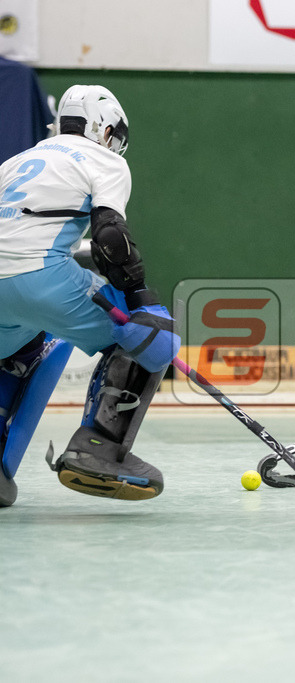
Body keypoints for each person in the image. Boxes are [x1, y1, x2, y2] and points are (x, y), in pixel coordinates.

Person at [0, 84, 179, 506]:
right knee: (154, 338)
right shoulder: (105, 160)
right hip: (40, 274)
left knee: (18, 350)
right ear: (102, 127)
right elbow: (110, 237)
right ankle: (99, 449)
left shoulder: (16, 161)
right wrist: (138, 298)